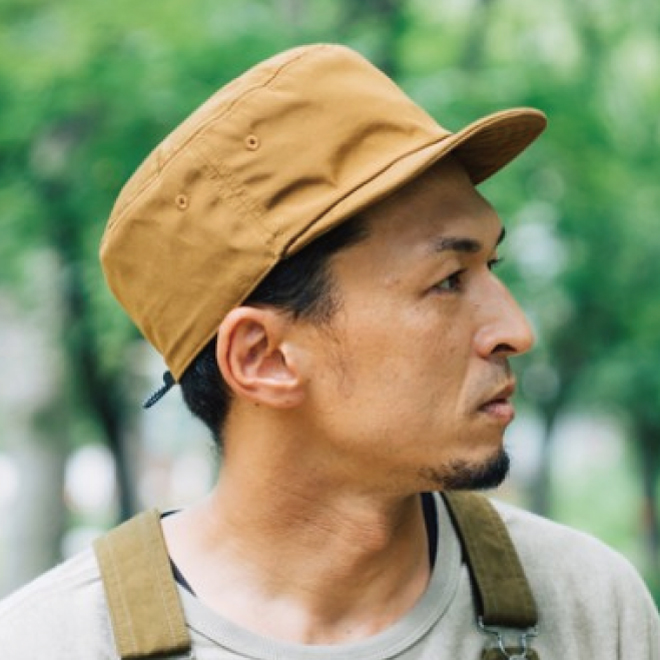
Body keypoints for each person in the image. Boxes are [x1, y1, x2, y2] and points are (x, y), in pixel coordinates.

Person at [1, 43, 658, 660]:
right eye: (448, 281)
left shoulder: (587, 607)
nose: (516, 329)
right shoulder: (51, 644)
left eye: (493, 264)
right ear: (263, 358)